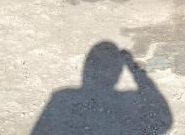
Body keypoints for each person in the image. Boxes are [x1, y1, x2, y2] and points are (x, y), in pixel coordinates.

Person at [31, 42, 172, 135]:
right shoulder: (128, 102)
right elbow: (163, 120)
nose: (104, 71)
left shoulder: (63, 98)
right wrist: (136, 71)